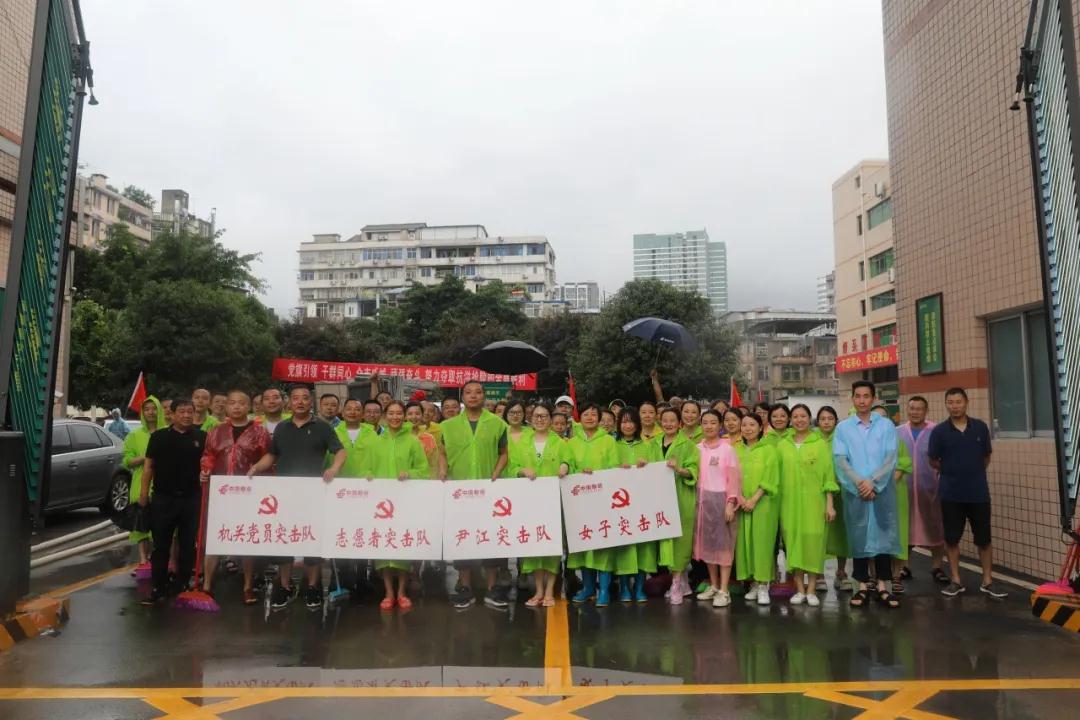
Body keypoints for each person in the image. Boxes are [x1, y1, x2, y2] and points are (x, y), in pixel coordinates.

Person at [247, 386, 347, 610]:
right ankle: (285, 586)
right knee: (285, 539)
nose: (300, 402)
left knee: (312, 539)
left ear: (311, 402)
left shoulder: (322, 427)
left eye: (304, 398)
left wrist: (334, 468)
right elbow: (272, 454)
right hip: (285, 494)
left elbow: (340, 451)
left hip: (314, 493)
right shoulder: (282, 428)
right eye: (295, 398)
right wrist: (257, 467)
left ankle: (312, 586)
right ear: (289, 403)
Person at [928, 388, 1006, 598]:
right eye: (950, 402)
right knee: (952, 539)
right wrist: (952, 471)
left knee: (984, 539)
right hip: (950, 495)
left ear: (966, 402)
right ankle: (956, 580)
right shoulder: (939, 432)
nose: (955, 406)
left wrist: (972, 472)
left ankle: (987, 581)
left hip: (978, 494)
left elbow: (986, 457)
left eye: (958, 402)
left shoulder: (980, 427)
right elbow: (933, 460)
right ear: (946, 404)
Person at [440, 380, 510, 610]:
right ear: (462, 397)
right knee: (463, 537)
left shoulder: (497, 424)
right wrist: (443, 471)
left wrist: (496, 472)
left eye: (478, 392)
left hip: (488, 492)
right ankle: (465, 587)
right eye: (468, 392)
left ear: (484, 396)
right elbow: (442, 453)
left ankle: (492, 587)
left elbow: (504, 453)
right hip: (459, 492)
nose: (473, 396)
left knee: (490, 536)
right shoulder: (448, 426)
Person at [199, 390, 273, 604]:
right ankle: (206, 586)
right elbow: (208, 455)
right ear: (226, 407)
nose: (236, 407)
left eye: (241, 403)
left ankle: (248, 586)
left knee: (246, 539)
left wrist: (258, 472)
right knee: (214, 539)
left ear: (248, 406)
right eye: (232, 403)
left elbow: (268, 458)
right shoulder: (216, 431)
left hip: (248, 493)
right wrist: (205, 470)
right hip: (220, 492)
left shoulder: (259, 432)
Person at [832, 381, 901, 610]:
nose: (862, 400)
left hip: (881, 491)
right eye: (858, 396)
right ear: (852, 398)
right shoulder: (843, 428)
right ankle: (860, 586)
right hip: (856, 492)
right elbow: (841, 460)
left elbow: (890, 457)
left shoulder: (886, 425)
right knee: (858, 537)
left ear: (873, 398)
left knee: (883, 537)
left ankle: (883, 586)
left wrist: (873, 483)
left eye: (866, 396)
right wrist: (859, 484)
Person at [362, 401, 431, 611]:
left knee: (402, 544)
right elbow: (365, 468)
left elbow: (423, 470)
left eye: (399, 413)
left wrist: (410, 473)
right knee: (384, 545)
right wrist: (368, 475)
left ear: (404, 416)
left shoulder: (413, 441)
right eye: (391, 413)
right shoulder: (375, 442)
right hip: (381, 503)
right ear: (385, 416)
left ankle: (401, 592)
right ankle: (388, 592)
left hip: (405, 501)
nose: (395, 417)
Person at [138, 400, 207, 604]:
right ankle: (158, 587)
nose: (186, 415)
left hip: (191, 499)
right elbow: (149, 466)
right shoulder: (159, 437)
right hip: (163, 498)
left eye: (190, 412)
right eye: (182, 412)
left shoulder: (201, 437)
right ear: (172, 414)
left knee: (187, 545)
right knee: (161, 546)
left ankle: (182, 584)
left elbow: (209, 463)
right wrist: (143, 493)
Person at [776, 404, 837, 606]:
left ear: (810, 419)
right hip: (788, 505)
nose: (799, 420)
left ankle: (811, 590)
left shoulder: (819, 444)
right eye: (795, 416)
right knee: (793, 544)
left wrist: (829, 504)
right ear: (790, 420)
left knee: (813, 544)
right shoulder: (783, 445)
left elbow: (829, 476)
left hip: (815, 504)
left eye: (803, 416)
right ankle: (799, 589)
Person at [512, 404, 571, 607]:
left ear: (550, 419)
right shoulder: (521, 443)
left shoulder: (560, 442)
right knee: (535, 543)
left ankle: (549, 590)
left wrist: (565, 466)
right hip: (529, 501)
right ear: (530, 419)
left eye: (544, 416)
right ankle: (538, 590)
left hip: (553, 500)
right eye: (536, 416)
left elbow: (568, 460)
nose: (540, 419)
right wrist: (522, 471)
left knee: (552, 544)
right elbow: (512, 466)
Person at [566, 403, 622, 606]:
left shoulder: (608, 441)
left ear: (599, 419)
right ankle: (588, 587)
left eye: (593, 414)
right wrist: (576, 472)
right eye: (585, 414)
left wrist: (597, 476)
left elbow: (614, 468)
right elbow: (568, 465)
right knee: (584, 543)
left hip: (602, 501)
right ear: (579, 418)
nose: (589, 417)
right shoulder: (571, 443)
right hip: (579, 501)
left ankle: (604, 590)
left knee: (602, 545)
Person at [613, 407, 661, 603]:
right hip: (620, 505)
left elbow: (659, 470)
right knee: (624, 546)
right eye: (624, 421)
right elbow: (605, 469)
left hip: (643, 504)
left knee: (643, 545)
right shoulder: (613, 445)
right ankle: (624, 586)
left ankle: (640, 586)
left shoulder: (649, 445)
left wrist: (647, 466)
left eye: (631, 421)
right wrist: (616, 468)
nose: (628, 425)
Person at [693, 410, 741, 608]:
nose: (709, 426)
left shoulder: (727, 449)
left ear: (720, 425)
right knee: (708, 546)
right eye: (705, 422)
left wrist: (730, 502)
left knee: (723, 546)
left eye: (713, 422)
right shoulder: (697, 449)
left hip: (721, 500)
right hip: (702, 501)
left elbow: (734, 479)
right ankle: (713, 585)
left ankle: (724, 590)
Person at [897, 396, 947, 584]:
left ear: (926, 411)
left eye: (919, 409)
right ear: (907, 410)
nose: (915, 412)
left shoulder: (936, 431)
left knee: (936, 528)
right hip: (905, 489)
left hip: (931, 490)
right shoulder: (897, 432)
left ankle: (937, 567)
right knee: (906, 529)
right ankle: (904, 566)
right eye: (912, 408)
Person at [733, 413, 780, 606]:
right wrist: (740, 498)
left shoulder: (769, 450)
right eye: (744, 425)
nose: (748, 428)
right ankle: (752, 582)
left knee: (762, 543)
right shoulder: (736, 450)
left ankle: (763, 585)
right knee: (745, 543)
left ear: (761, 427)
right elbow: (731, 477)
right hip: (741, 503)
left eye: (752, 425)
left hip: (763, 504)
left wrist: (753, 499)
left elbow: (771, 477)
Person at [654, 407, 699, 604]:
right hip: (660, 500)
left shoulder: (688, 445)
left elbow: (694, 470)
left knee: (680, 542)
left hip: (681, 498)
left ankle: (676, 583)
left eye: (673, 420)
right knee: (666, 541)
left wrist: (680, 469)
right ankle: (682, 582)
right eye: (665, 420)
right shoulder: (653, 443)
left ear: (679, 423)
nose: (669, 424)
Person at [872, 404, 913, 595]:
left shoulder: (898, 441)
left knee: (897, 534)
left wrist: (883, 486)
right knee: (872, 537)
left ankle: (896, 576)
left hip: (895, 494)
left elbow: (902, 465)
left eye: (883, 417)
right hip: (871, 495)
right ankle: (873, 576)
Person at [123, 396, 166, 573]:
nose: (150, 412)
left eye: (154, 408)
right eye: (146, 409)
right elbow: (127, 460)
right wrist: (145, 457)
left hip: (163, 483)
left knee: (162, 523)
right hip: (140, 483)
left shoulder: (167, 432)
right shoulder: (134, 435)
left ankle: (160, 559)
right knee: (141, 522)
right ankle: (143, 560)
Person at [816, 406, 851, 591]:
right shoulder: (812, 439)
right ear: (817, 422)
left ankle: (841, 572)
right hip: (818, 494)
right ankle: (819, 574)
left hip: (842, 492)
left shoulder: (843, 438)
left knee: (841, 533)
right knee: (820, 533)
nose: (826, 422)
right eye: (823, 419)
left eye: (830, 418)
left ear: (836, 421)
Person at [335, 399, 375, 479]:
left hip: (366, 481)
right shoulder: (334, 434)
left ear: (363, 414)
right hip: (339, 481)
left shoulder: (372, 434)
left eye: (357, 409)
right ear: (343, 413)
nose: (352, 412)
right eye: (349, 409)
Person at [405, 401, 441, 473]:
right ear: (405, 416)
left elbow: (433, 464)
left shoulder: (429, 438)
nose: (414, 417)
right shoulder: (399, 436)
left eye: (417, 414)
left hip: (424, 478)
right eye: (410, 414)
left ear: (422, 415)